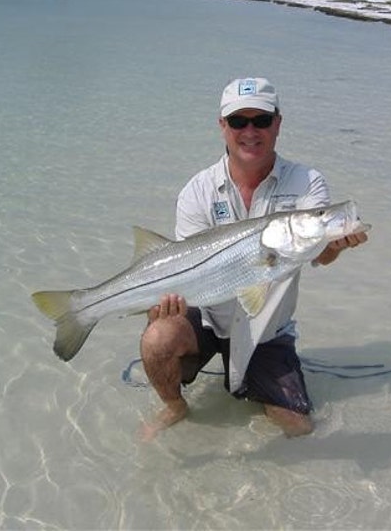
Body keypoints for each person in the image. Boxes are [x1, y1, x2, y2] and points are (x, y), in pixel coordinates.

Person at [139, 77, 368, 439]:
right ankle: (175, 406)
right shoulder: (196, 191)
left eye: (261, 120)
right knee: (158, 337)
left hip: (267, 331)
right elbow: (184, 269)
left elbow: (318, 256)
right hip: (209, 318)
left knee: (299, 429)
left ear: (277, 123)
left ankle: (255, 377)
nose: (250, 131)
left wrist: (332, 243)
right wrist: (161, 306)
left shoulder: (307, 183)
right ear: (222, 126)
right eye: (238, 121)